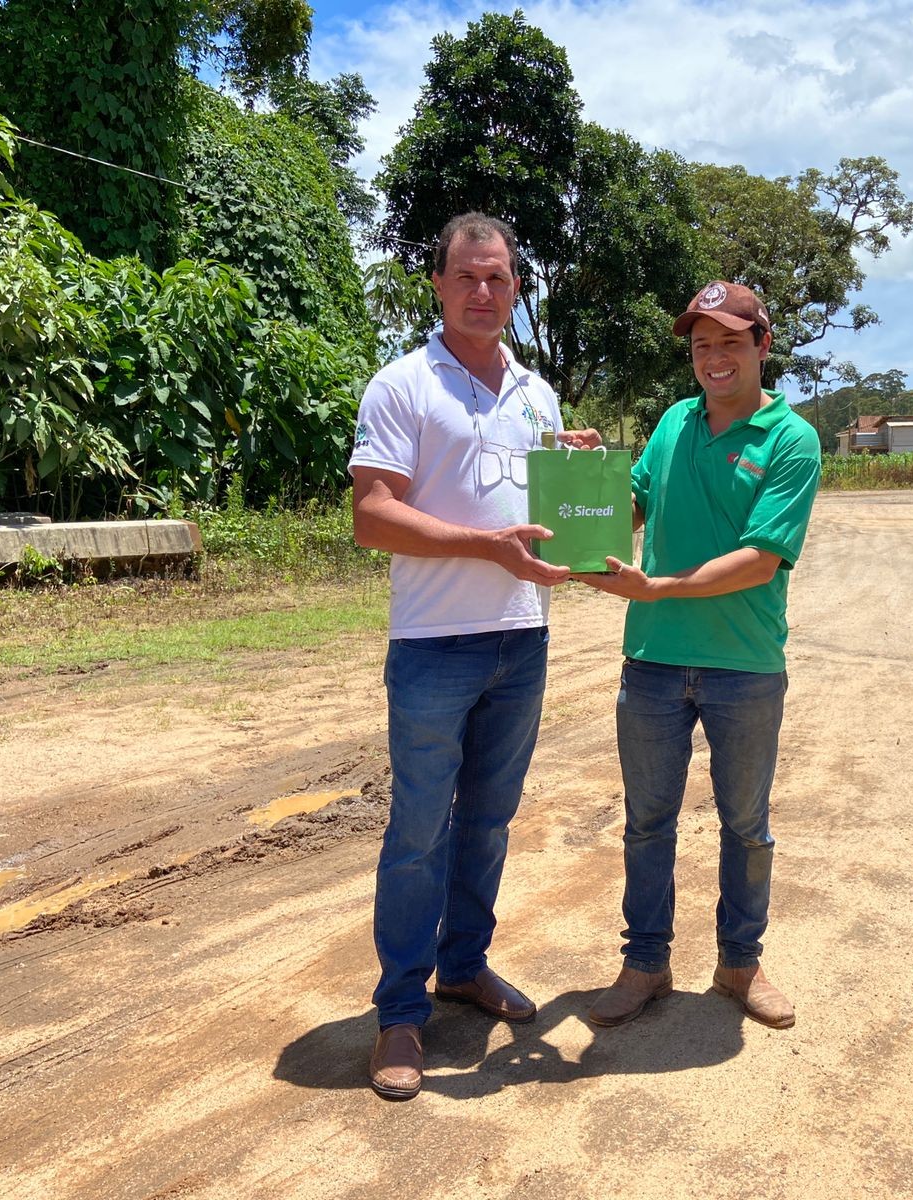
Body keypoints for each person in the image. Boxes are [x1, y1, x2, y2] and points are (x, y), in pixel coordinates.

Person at [348, 212, 599, 1100]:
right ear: (439, 285)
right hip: (433, 644)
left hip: (521, 637)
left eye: (499, 278)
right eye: (468, 277)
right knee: (419, 831)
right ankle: (400, 1014)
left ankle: (464, 965)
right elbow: (371, 514)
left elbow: (550, 514)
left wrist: (578, 473)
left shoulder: (537, 393)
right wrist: (484, 544)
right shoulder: (403, 385)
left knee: (488, 822)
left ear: (517, 288)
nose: (484, 291)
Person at [575, 281, 821, 1030]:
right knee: (647, 823)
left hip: (744, 666)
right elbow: (630, 509)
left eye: (728, 342)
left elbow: (759, 558)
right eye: (700, 343)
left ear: (762, 348)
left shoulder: (791, 440)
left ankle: (739, 965)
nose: (713, 357)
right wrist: (585, 478)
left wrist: (657, 588)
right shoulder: (675, 422)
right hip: (650, 662)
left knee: (747, 824)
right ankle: (645, 964)